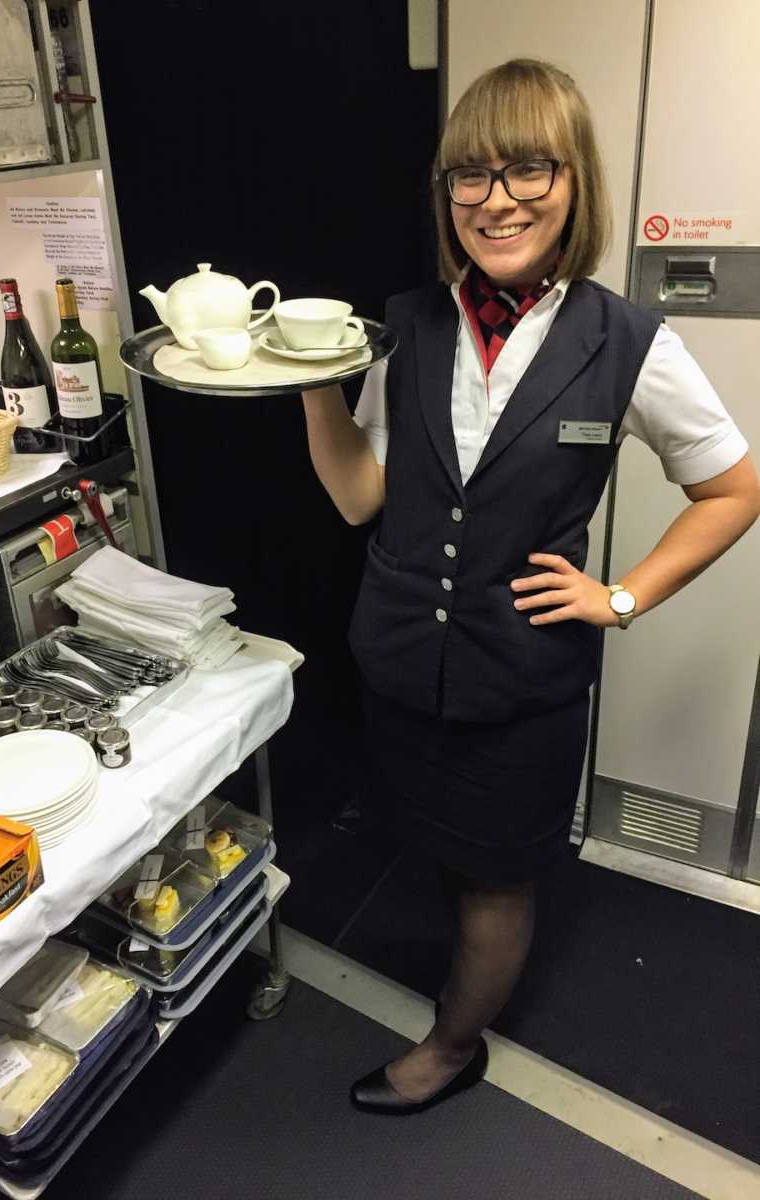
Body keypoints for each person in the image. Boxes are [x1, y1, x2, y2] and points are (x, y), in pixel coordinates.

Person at [300, 58, 760, 1115]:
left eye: (528, 168)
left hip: (526, 683)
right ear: (446, 193)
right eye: (472, 174)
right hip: (403, 663)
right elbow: (361, 499)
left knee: (502, 880)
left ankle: (454, 1047)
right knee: (444, 857)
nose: (497, 197)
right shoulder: (403, 326)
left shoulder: (628, 342)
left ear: (574, 181)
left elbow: (733, 490)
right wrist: (312, 391)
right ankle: (455, 977)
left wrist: (622, 597)